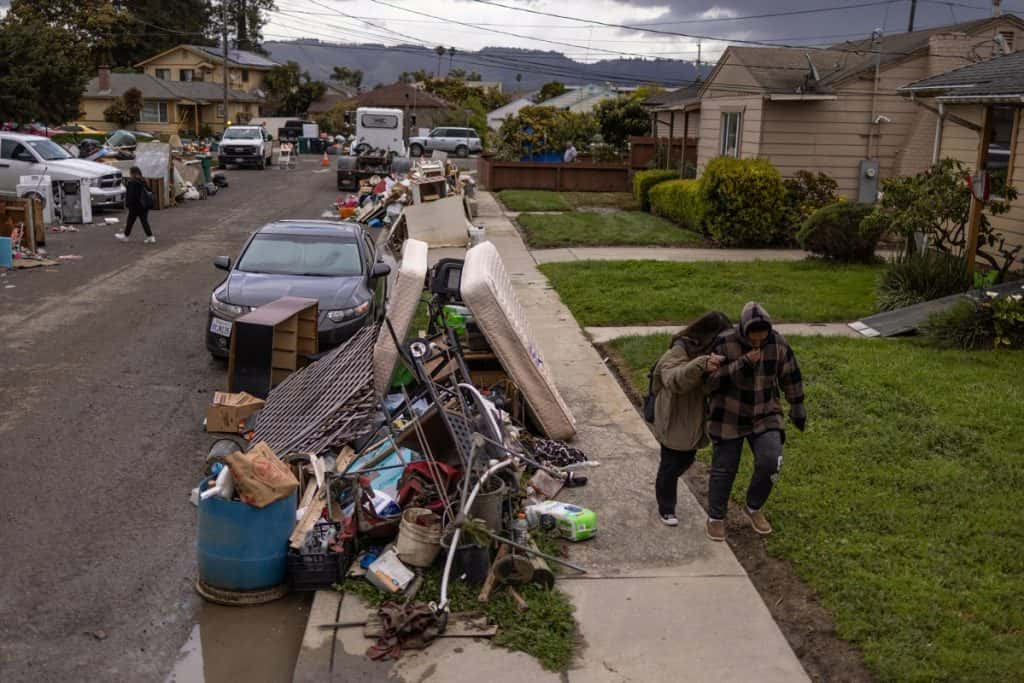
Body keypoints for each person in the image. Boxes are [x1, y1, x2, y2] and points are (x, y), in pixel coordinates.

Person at [704, 302, 805, 542]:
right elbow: (710, 382)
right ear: (744, 331)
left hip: (765, 412)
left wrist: (797, 405)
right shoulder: (724, 343)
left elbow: (790, 374)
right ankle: (716, 517)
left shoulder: (777, 343)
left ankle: (752, 507)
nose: (758, 341)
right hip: (728, 415)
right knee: (724, 468)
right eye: (753, 337)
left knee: (771, 461)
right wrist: (743, 363)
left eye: (763, 336)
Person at [650, 311, 732, 526]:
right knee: (669, 464)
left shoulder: (711, 352)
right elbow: (673, 380)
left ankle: (664, 484)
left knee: (686, 459)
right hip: (673, 414)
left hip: (694, 416)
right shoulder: (680, 348)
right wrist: (701, 365)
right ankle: (666, 508)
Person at [115, 166, 155, 244]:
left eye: (130, 172)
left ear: (132, 173)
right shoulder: (143, 180)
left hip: (135, 206)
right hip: (144, 205)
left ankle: (125, 236)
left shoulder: (132, 182)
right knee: (144, 221)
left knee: (130, 221)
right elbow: (149, 191)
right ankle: (150, 237)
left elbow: (130, 195)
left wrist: (128, 205)